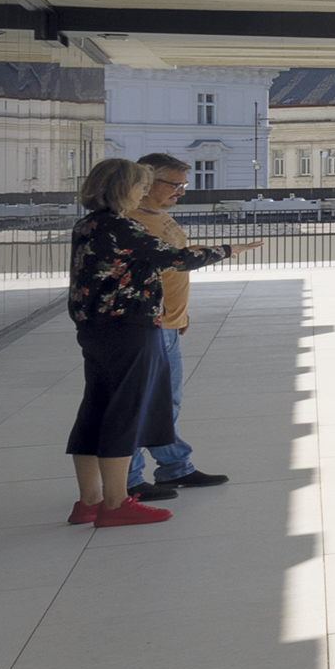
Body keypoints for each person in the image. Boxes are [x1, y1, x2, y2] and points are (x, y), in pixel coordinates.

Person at [67, 157, 246, 527]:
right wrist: (229, 250)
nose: (142, 192)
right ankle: (117, 503)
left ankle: (89, 500)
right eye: (138, 186)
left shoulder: (88, 224)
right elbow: (177, 259)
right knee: (125, 412)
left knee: (96, 411)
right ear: (122, 189)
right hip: (128, 328)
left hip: (98, 328)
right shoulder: (121, 226)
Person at [126, 152, 230, 504]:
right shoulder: (131, 221)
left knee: (167, 401)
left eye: (183, 184)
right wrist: (226, 250)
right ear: (146, 183)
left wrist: (180, 313)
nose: (182, 191)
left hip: (167, 323)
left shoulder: (159, 216)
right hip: (147, 325)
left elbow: (174, 264)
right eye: (175, 184)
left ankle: (175, 467)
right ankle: (129, 479)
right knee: (142, 403)